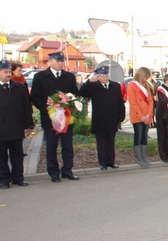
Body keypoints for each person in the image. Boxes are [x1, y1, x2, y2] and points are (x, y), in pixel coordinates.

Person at [30, 51, 80, 182]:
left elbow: (75, 94)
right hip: (50, 118)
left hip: (66, 118)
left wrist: (70, 102)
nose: (60, 63)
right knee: (51, 146)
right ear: (50, 61)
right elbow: (35, 96)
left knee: (67, 145)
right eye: (58, 61)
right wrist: (46, 107)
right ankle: (53, 172)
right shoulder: (40, 77)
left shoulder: (69, 76)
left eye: (62, 61)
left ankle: (67, 171)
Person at [78, 66, 125, 170]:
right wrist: (89, 81)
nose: (105, 78)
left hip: (112, 119)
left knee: (111, 142)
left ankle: (111, 161)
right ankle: (103, 162)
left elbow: (120, 102)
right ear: (98, 77)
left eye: (106, 76)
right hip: (99, 120)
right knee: (101, 143)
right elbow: (82, 92)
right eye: (102, 76)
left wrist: (121, 116)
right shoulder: (93, 86)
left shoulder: (115, 86)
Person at [0, 60, 34, 189]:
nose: (8, 74)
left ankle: (18, 178)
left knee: (17, 154)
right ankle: (4, 179)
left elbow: (26, 107)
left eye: (9, 72)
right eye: (5, 72)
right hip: (2, 129)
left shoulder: (19, 87)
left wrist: (28, 125)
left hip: (16, 128)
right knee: (1, 156)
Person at [127, 66, 155, 167]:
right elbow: (133, 103)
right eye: (146, 76)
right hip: (138, 116)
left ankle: (144, 157)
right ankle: (139, 158)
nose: (146, 79)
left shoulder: (146, 85)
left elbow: (150, 100)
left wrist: (149, 113)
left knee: (144, 137)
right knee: (138, 136)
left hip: (147, 115)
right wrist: (141, 115)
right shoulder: (132, 86)